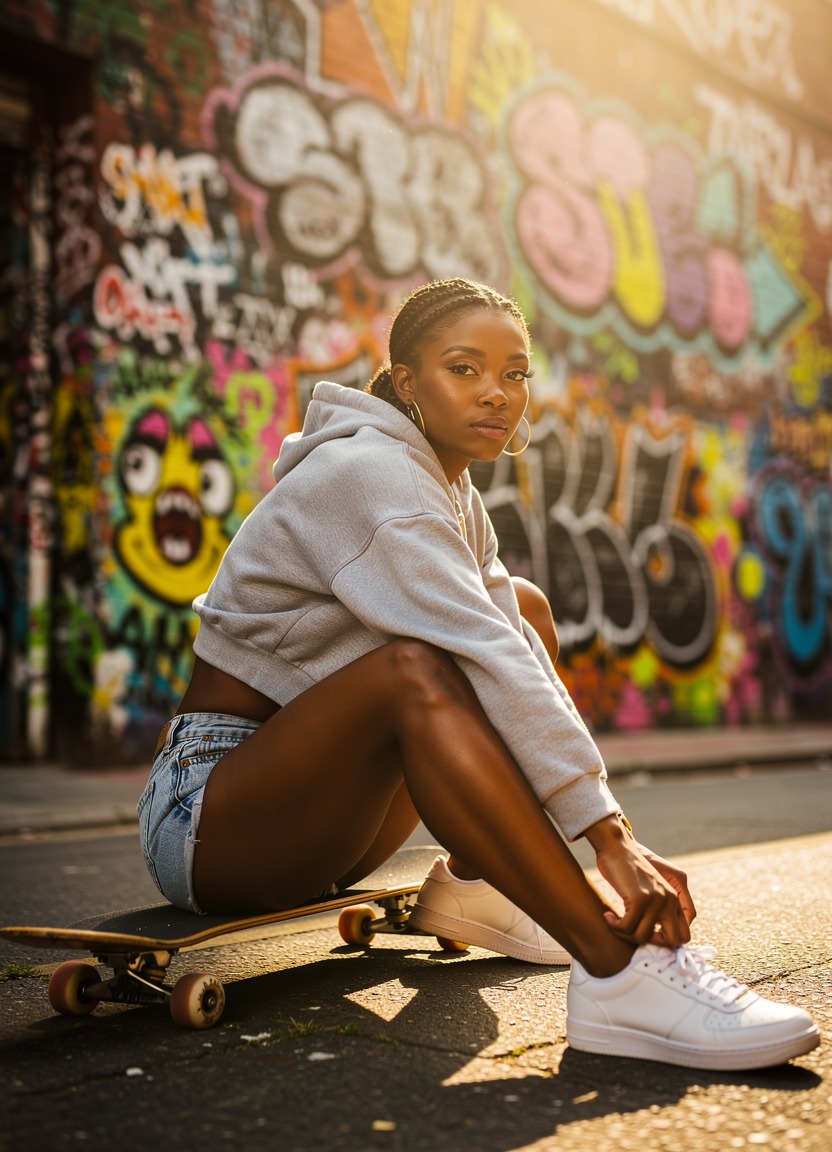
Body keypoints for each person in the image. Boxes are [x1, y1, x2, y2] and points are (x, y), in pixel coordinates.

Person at [139, 277, 819, 1070]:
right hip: (208, 819)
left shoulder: (449, 487)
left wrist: (603, 829)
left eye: (516, 372)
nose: (498, 393)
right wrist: (610, 841)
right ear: (405, 383)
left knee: (520, 610)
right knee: (412, 670)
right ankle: (618, 974)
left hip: (317, 822)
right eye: (464, 369)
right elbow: (477, 656)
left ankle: (475, 883)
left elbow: (511, 646)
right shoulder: (371, 475)